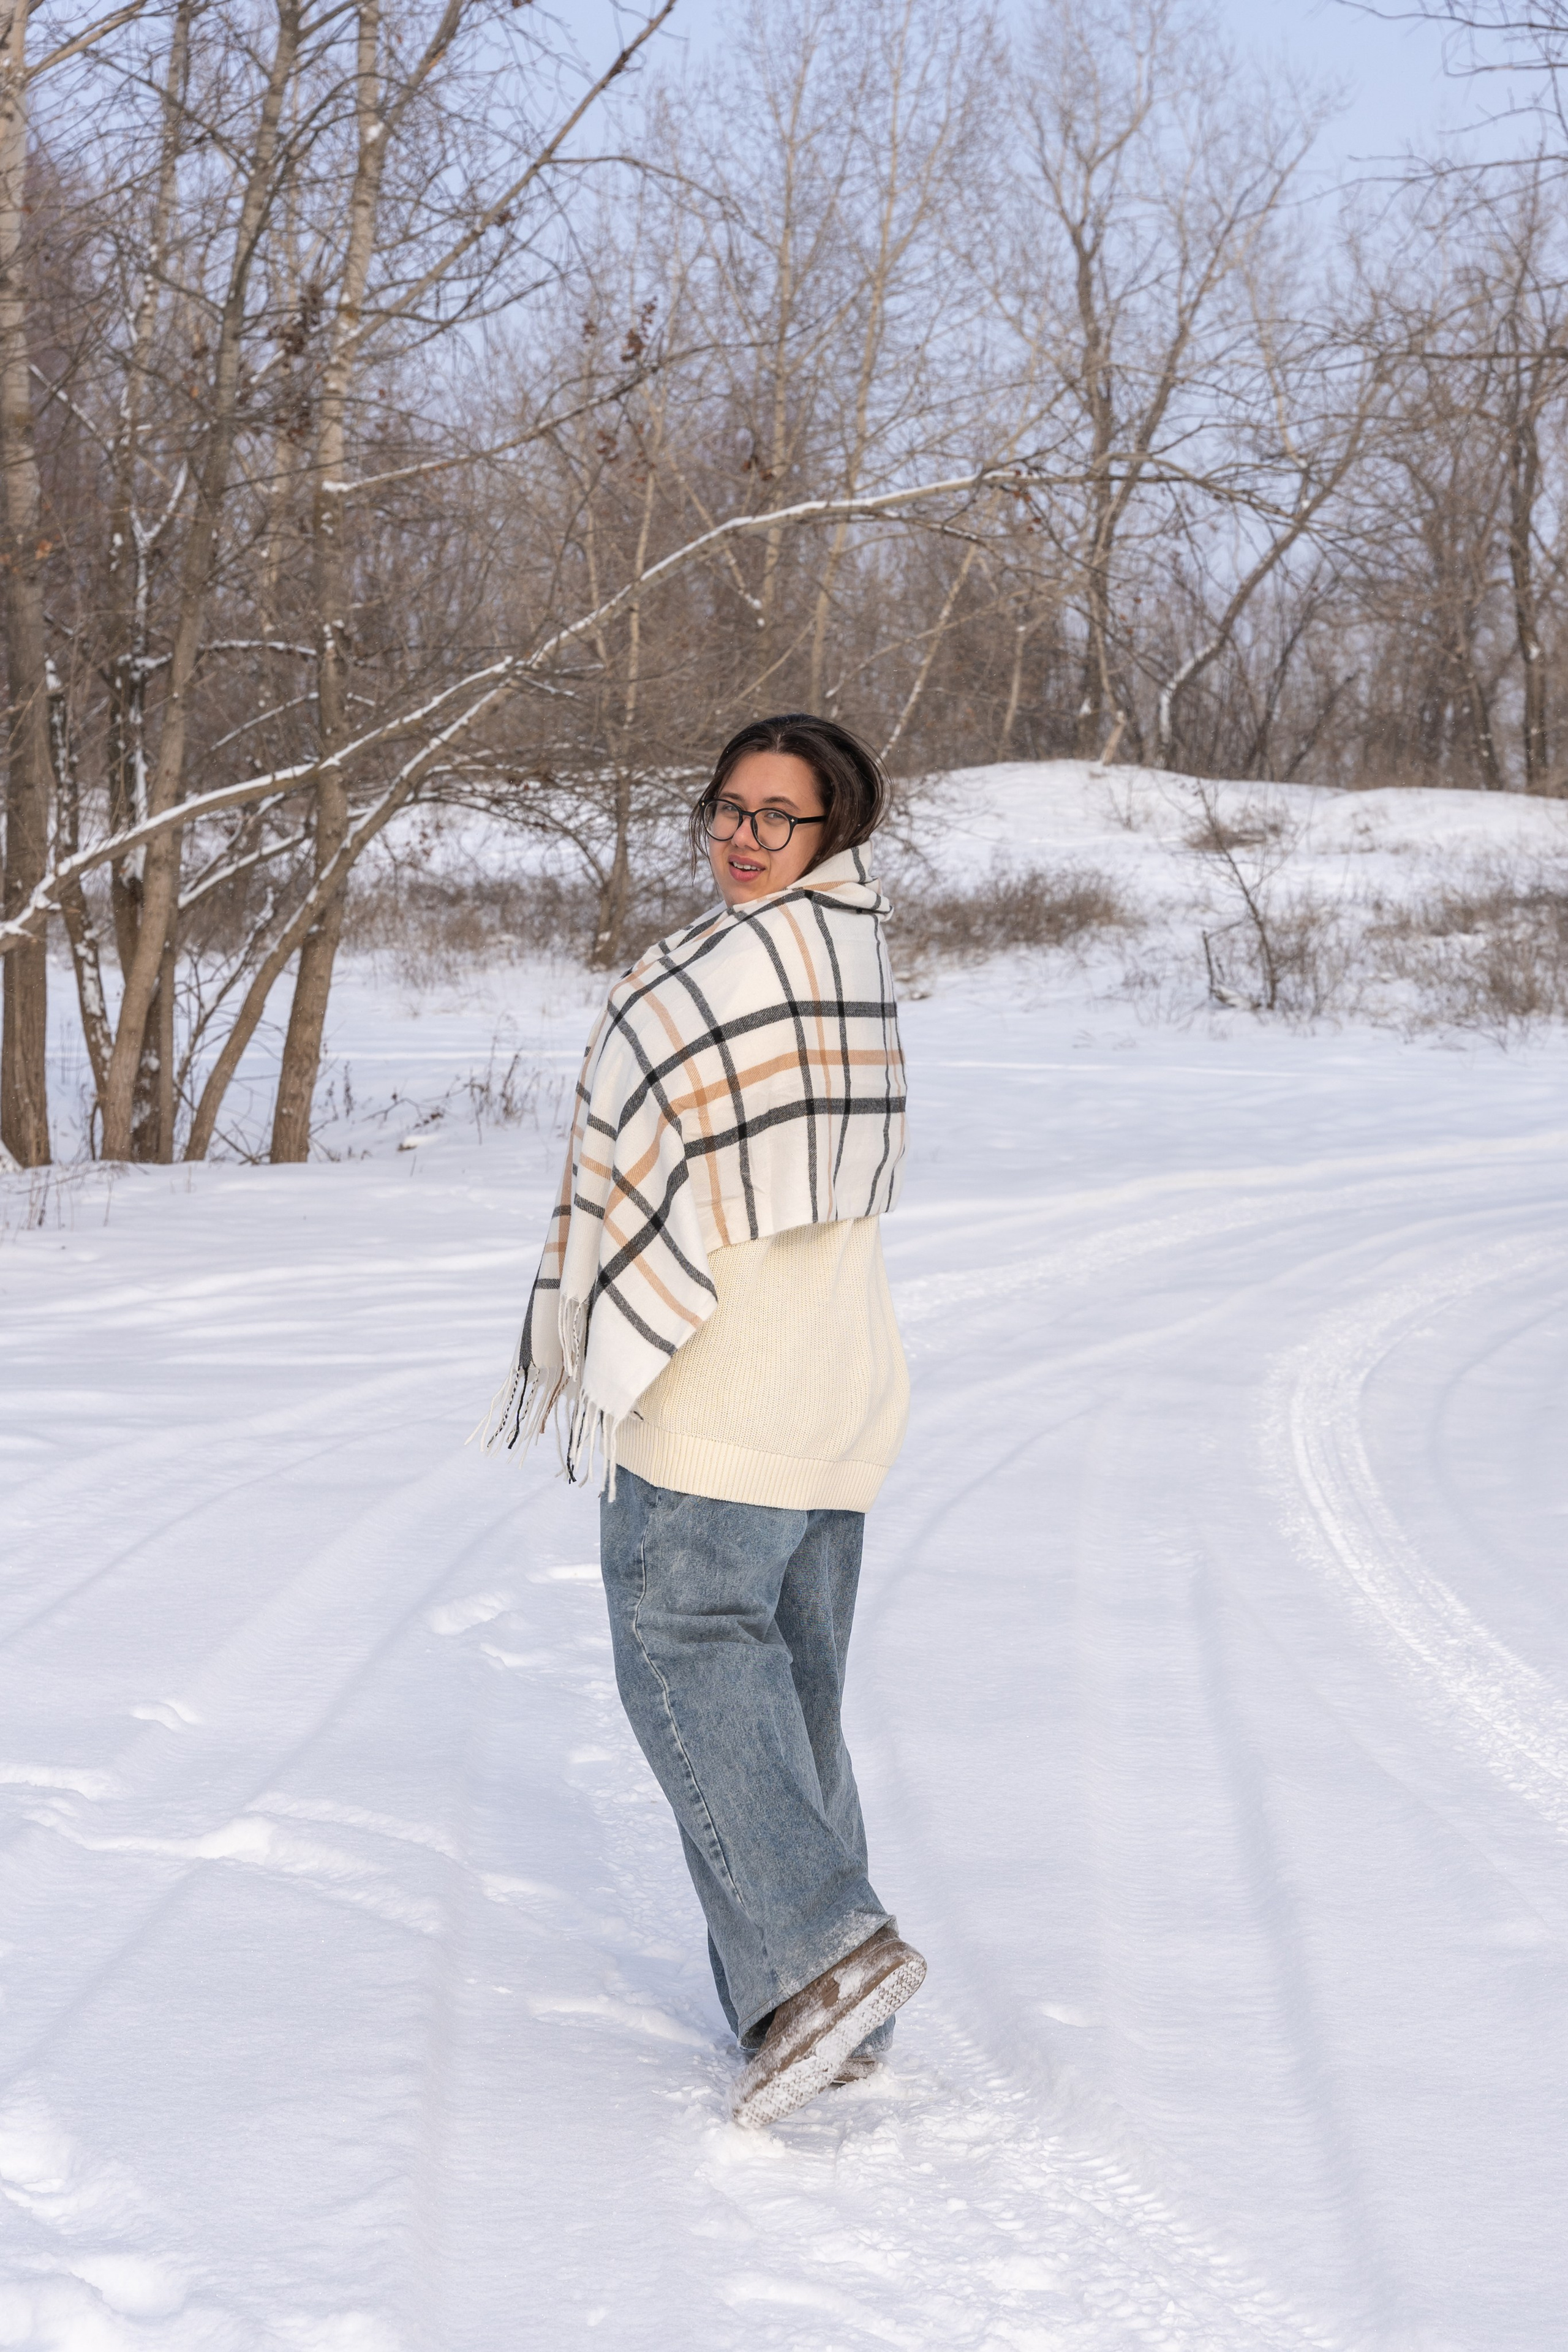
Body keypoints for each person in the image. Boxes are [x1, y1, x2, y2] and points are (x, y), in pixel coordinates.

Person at [490, 712, 924, 2128]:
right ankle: (813, 2014)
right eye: (727, 808)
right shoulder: (850, 962)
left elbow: (654, 1191)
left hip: (721, 1381)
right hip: (838, 1386)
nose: (743, 837)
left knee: (680, 1653)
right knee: (789, 1699)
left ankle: (823, 1955)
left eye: (777, 818)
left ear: (835, 833)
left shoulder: (712, 971)